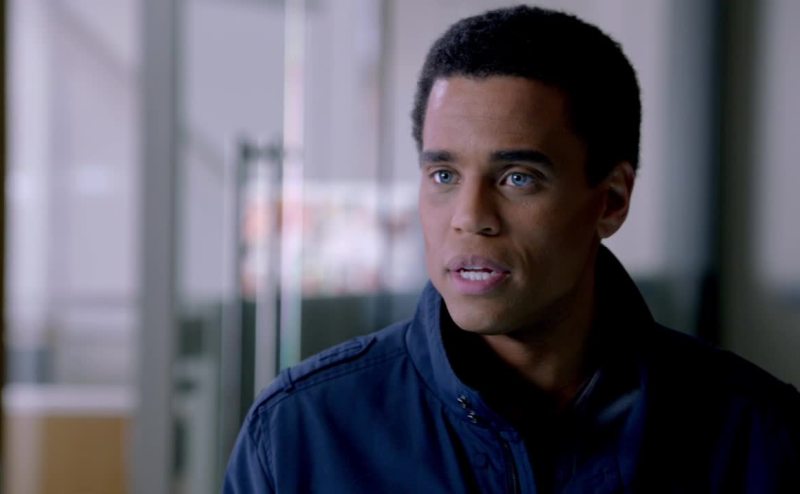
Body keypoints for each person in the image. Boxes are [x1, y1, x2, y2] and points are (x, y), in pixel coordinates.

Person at [223, 5, 800, 493]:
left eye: (518, 178)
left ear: (611, 200)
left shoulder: (759, 437)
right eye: (444, 175)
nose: (470, 218)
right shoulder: (301, 434)